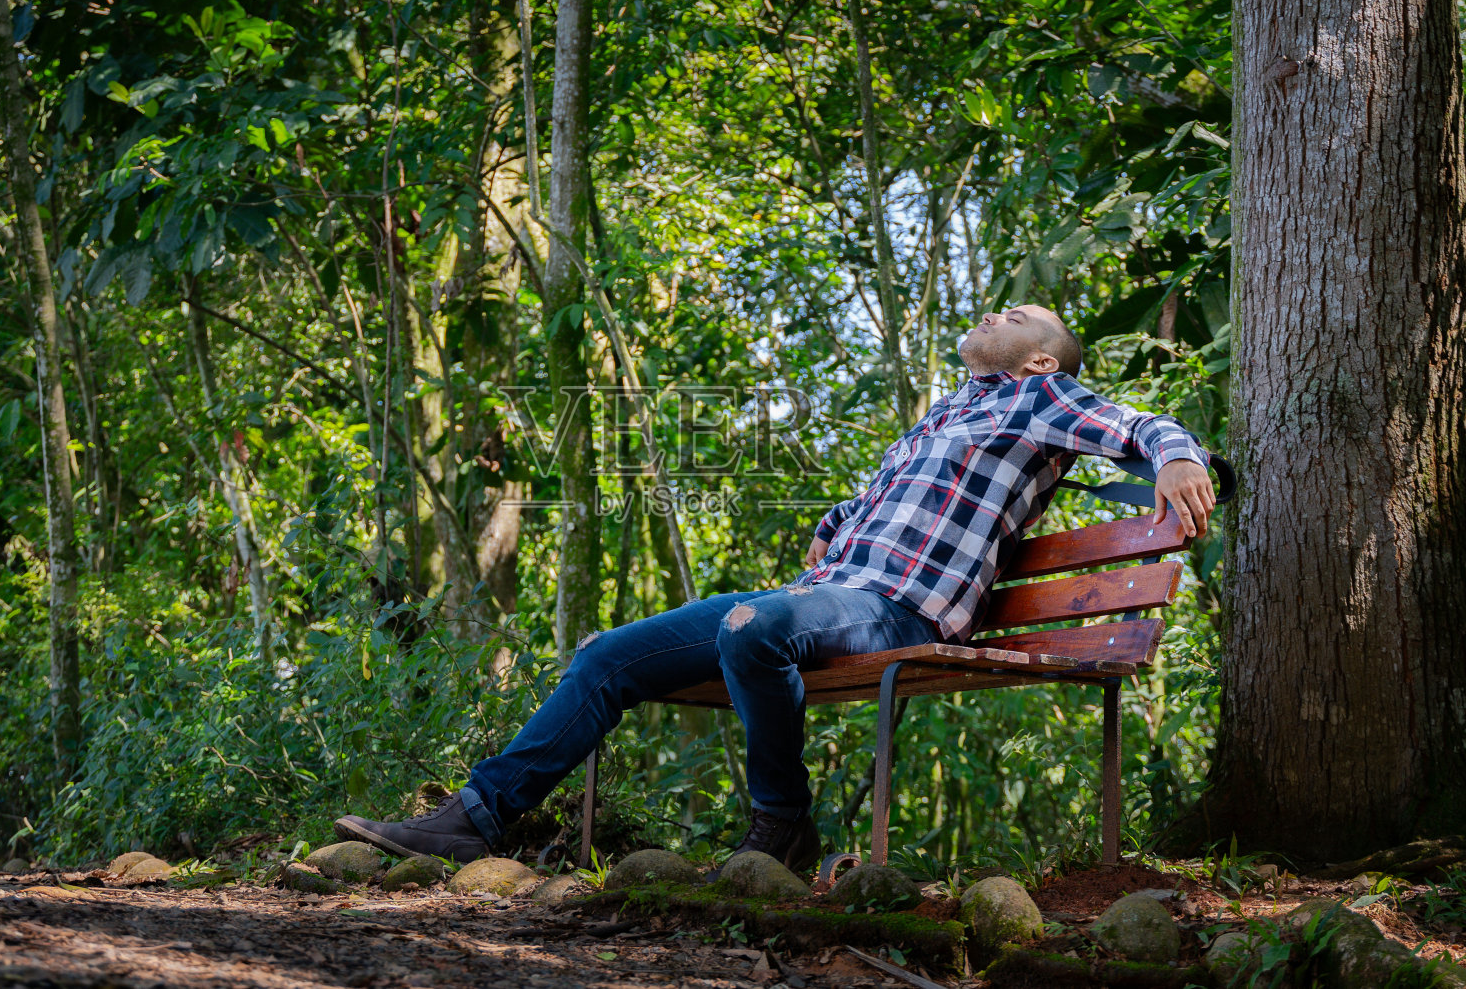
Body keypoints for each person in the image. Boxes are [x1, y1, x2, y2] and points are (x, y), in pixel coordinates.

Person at [334, 304, 1216, 874]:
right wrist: (832, 526)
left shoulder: (1038, 400)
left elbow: (1137, 424)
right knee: (606, 655)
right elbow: (862, 508)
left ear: (1037, 364)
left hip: (899, 607)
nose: (998, 311)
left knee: (756, 626)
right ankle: (477, 817)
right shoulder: (940, 417)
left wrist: (1177, 455)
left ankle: (782, 826)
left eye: (1019, 315)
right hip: (833, 589)